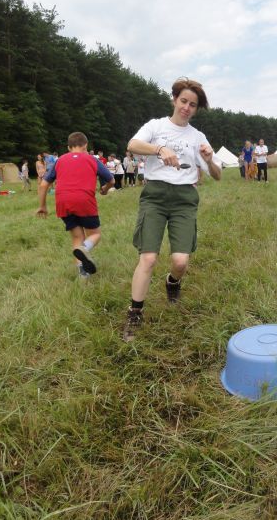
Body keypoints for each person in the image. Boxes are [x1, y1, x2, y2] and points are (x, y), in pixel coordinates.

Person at [123, 77, 221, 342]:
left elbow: (217, 174)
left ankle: (173, 282)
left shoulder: (198, 137)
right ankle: (135, 312)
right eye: (183, 101)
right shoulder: (156, 126)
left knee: (180, 261)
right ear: (174, 100)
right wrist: (159, 148)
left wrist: (210, 160)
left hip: (184, 199)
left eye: (193, 104)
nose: (187, 108)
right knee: (149, 258)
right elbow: (132, 145)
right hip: (154, 196)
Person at [36, 132, 114, 278]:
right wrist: (105, 189)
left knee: (77, 238)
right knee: (95, 234)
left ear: (68, 147)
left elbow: (44, 184)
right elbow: (111, 180)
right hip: (84, 201)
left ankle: (83, 275)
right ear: (86, 145)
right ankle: (85, 249)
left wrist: (43, 206)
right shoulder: (92, 159)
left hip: (63, 202)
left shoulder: (59, 161)